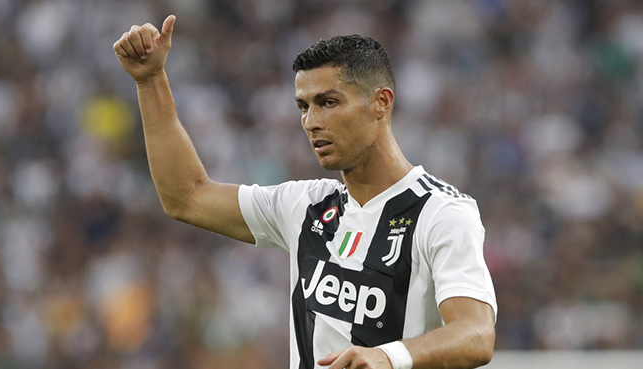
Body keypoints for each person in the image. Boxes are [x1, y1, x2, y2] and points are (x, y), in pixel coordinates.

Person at [113, 14, 497, 369]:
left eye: (329, 102)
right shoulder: (307, 205)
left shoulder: (441, 212)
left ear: (381, 103)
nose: (311, 122)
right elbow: (186, 196)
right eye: (303, 106)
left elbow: (477, 334)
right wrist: (150, 81)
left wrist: (387, 356)